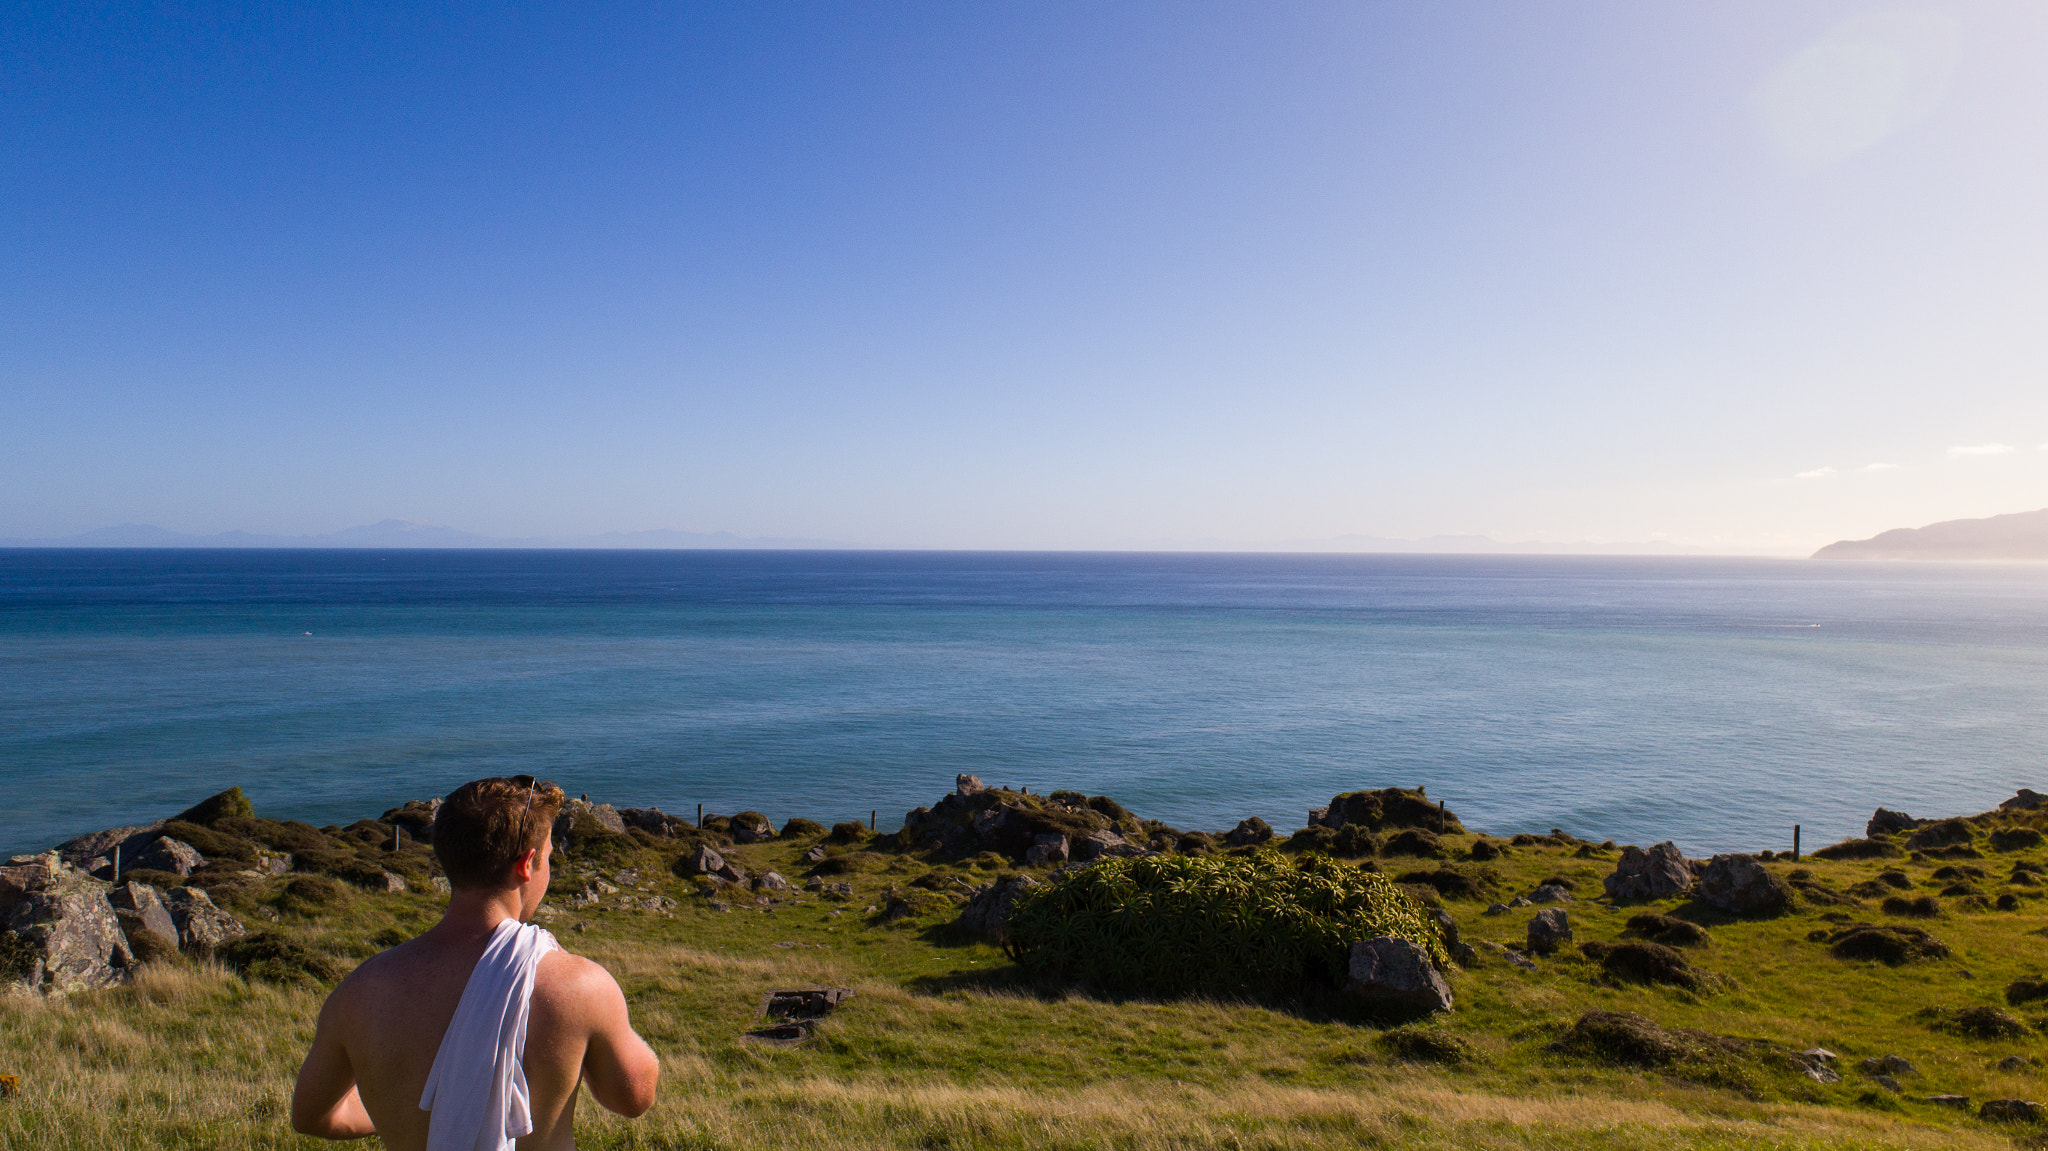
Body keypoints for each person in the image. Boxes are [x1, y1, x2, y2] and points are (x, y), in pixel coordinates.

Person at [291, 776, 660, 1148]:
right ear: (527, 864)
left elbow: (312, 1116)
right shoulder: (580, 987)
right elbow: (633, 1098)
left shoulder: (361, 991)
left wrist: (412, 1110)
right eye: (548, 857)